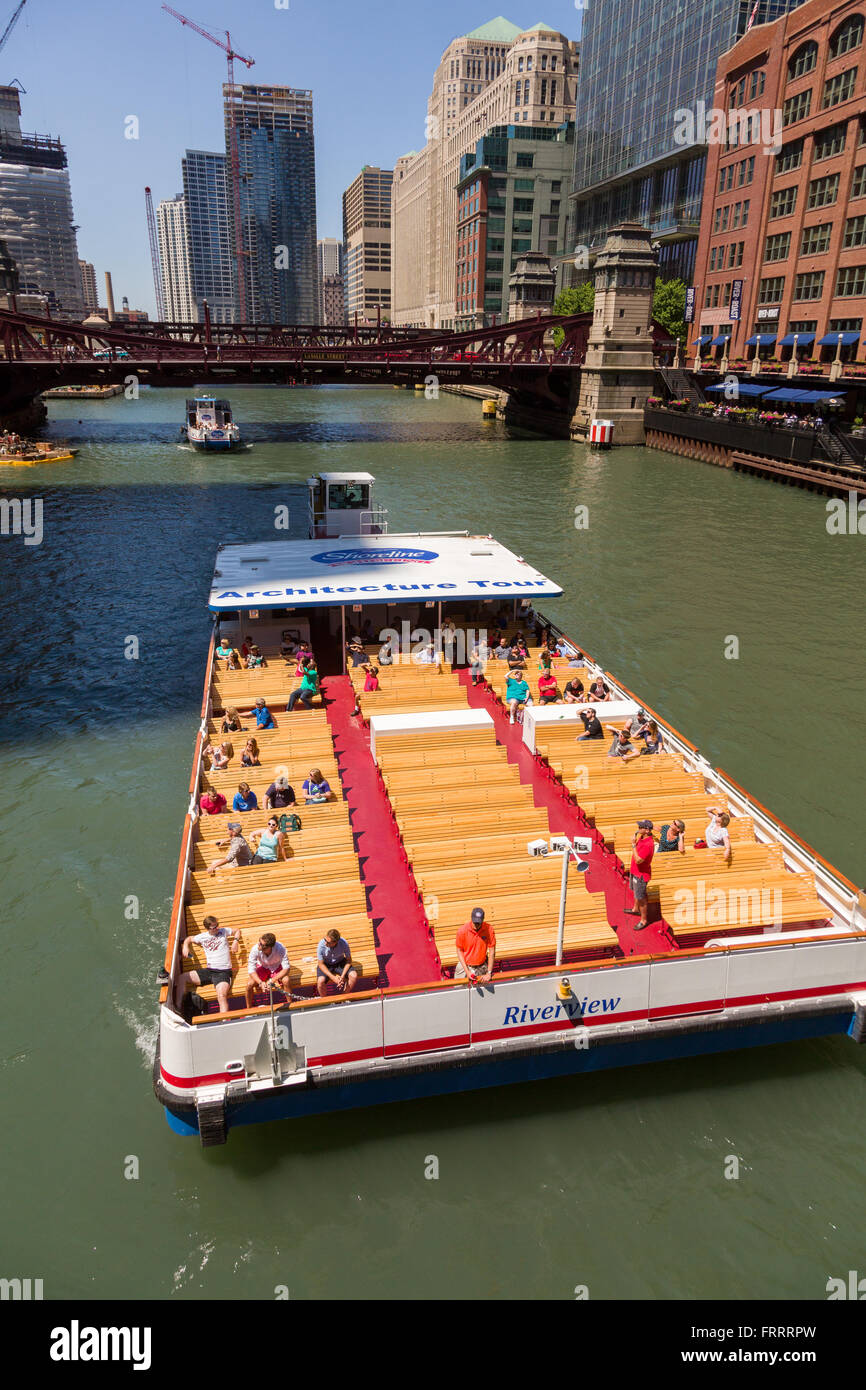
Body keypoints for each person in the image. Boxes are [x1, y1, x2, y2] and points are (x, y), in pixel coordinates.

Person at [182, 914, 240, 1015]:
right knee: (181, 978)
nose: (217, 928)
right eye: (214, 927)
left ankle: (224, 1022)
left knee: (221, 996)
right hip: (209, 971)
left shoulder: (223, 931)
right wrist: (185, 947)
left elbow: (237, 931)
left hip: (223, 972)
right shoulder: (202, 937)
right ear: (208, 928)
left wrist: (235, 942)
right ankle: (179, 1009)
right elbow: (189, 939)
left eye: (217, 925)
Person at [625, 820, 655, 930]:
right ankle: (635, 909)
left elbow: (638, 860)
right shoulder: (642, 838)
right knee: (637, 893)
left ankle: (643, 920)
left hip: (641, 875)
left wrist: (633, 844)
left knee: (641, 898)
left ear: (647, 830)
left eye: (640, 827)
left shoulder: (648, 844)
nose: (638, 828)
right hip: (635, 872)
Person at [455, 907, 496, 984]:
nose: (476, 925)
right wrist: (467, 971)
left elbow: (492, 952)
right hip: (465, 965)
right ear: (471, 919)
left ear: (483, 920)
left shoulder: (489, 929)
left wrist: (489, 972)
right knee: (458, 989)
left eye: (479, 923)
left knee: (482, 988)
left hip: (481, 965)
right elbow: (459, 951)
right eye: (475, 922)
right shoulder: (462, 931)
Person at [316, 928, 359, 996]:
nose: (325, 943)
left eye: (328, 942)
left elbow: (349, 960)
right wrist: (333, 978)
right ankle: (325, 1001)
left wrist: (342, 976)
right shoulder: (321, 945)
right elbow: (321, 964)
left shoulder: (343, 943)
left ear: (335, 942)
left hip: (340, 962)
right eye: (325, 940)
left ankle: (344, 997)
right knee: (320, 981)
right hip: (326, 964)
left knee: (353, 976)